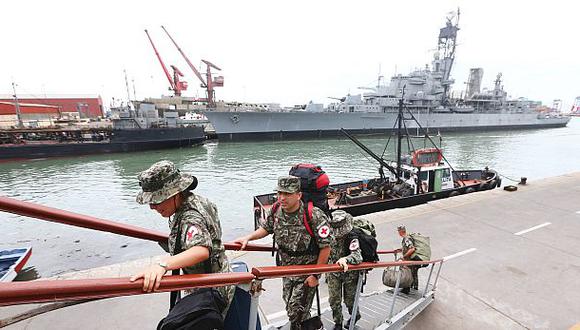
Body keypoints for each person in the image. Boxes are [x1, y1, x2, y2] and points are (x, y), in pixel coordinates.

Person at [130, 160, 234, 316]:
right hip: (219, 277)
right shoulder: (198, 200)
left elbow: (201, 250)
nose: (152, 207)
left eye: (156, 201)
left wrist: (162, 265)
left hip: (209, 291)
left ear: (175, 194)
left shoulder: (190, 217)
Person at [234, 176, 331, 330]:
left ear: (298, 195)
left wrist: (315, 275)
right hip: (286, 269)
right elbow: (266, 228)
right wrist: (248, 237)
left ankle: (304, 326)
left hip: (307, 270)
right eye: (280, 193)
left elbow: (326, 247)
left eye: (287, 194)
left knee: (295, 310)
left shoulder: (313, 215)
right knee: (289, 304)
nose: (282, 198)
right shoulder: (276, 210)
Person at [327, 210, 362, 330]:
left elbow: (358, 256)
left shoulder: (352, 236)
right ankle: (338, 323)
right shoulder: (328, 235)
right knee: (334, 300)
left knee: (350, 300)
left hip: (350, 274)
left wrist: (345, 259)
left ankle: (355, 315)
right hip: (333, 273)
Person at [397, 225, 421, 294]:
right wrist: (401, 249)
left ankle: (410, 289)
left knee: (410, 274)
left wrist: (404, 256)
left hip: (410, 260)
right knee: (412, 274)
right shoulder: (406, 238)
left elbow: (412, 249)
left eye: (398, 231)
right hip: (411, 260)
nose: (398, 233)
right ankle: (411, 289)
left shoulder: (406, 238)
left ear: (401, 231)